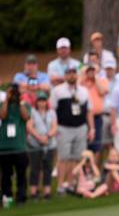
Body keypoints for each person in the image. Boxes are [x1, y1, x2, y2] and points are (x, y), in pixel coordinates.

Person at [50, 64, 94, 194]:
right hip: (64, 127)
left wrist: (92, 128)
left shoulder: (83, 91)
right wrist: (55, 126)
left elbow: (89, 111)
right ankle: (60, 185)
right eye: (69, 73)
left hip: (80, 127)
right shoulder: (58, 91)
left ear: (77, 74)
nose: (71, 75)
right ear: (65, 75)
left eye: (73, 72)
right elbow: (52, 110)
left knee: (77, 157)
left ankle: (69, 183)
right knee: (64, 157)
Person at [0, 83, 30, 205]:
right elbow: (2, 115)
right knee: (6, 175)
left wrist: (19, 101)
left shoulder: (24, 105)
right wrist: (7, 100)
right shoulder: (2, 105)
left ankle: (21, 197)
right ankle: (7, 197)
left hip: (20, 147)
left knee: (21, 174)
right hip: (4, 147)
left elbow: (26, 117)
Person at [27, 92, 57, 200]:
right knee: (35, 168)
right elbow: (30, 126)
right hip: (35, 144)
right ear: (37, 102)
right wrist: (39, 138)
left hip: (49, 144)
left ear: (46, 102)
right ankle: (34, 192)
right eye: (40, 100)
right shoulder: (32, 111)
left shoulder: (51, 112)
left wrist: (47, 137)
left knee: (47, 168)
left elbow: (54, 126)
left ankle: (47, 192)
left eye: (43, 100)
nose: (42, 103)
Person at [80, 62, 109, 158]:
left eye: (93, 70)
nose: (91, 72)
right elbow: (76, 87)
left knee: (96, 145)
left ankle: (94, 169)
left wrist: (95, 77)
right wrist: (83, 74)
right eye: (89, 70)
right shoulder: (82, 81)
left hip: (97, 117)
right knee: (83, 145)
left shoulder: (102, 80)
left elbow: (102, 91)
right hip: (82, 117)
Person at [101, 58, 118, 150]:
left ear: (115, 69)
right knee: (102, 144)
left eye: (111, 69)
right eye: (107, 69)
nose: (109, 71)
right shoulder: (100, 81)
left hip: (116, 116)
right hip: (103, 115)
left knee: (115, 144)